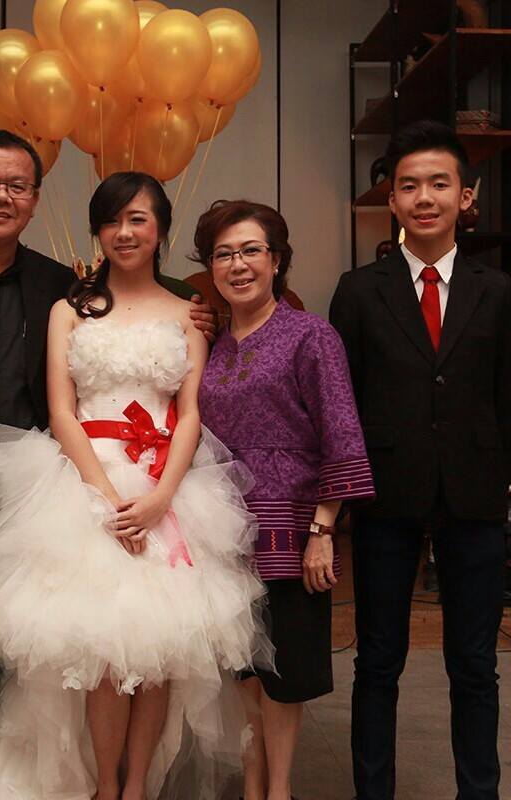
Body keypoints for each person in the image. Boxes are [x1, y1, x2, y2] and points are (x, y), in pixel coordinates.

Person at [0, 171, 272, 800]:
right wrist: (104, 495)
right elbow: (62, 410)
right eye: (112, 220)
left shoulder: (189, 314)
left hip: (168, 487)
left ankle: (136, 787)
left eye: (138, 219)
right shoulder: (69, 309)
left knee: (163, 652)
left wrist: (160, 497)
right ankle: (105, 786)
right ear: (97, 231)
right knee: (100, 653)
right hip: (82, 485)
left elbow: (190, 413)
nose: (124, 232)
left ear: (160, 230)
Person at [330, 120, 510, 800]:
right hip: (385, 494)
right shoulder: (358, 290)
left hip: (476, 494)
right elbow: (343, 401)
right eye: (409, 186)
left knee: (475, 665)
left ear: (467, 196)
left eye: (439, 183)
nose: (424, 197)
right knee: (378, 662)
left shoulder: (498, 290)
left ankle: (479, 792)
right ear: (392, 198)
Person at [196, 200, 374, 800]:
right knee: (242, 665)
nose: (237, 264)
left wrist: (323, 530)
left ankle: (278, 789)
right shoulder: (214, 343)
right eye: (223, 254)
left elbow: (341, 430)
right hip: (223, 528)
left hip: (292, 529)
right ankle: (252, 783)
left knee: (285, 670)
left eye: (251, 250)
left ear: (276, 260)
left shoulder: (310, 335)